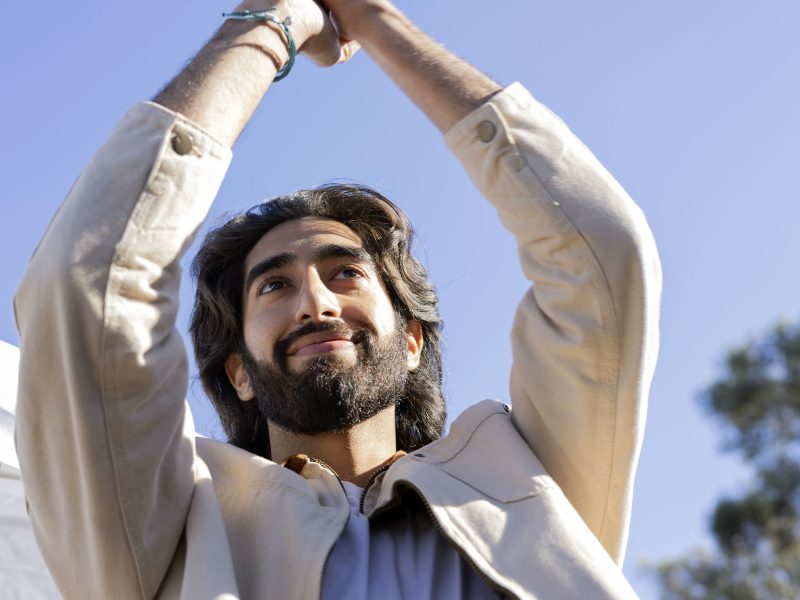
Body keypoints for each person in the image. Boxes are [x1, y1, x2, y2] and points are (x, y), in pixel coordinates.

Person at [14, 0, 661, 598]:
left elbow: (600, 254)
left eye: (345, 273)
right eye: (273, 285)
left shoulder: (531, 480)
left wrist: (371, 19)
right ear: (237, 371)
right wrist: (274, 21)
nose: (314, 302)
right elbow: (88, 283)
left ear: (412, 341)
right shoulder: (173, 523)